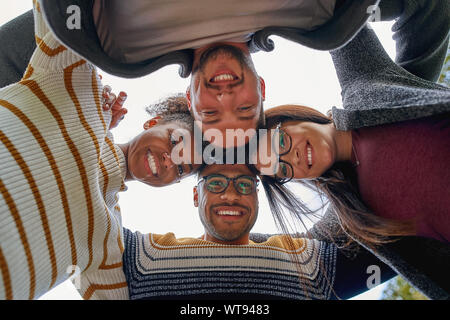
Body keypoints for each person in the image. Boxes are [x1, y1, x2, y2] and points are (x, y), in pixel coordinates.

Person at [2, 0, 412, 147]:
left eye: (211, 114)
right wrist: (397, 115)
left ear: (190, 99)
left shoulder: (116, 45)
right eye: (246, 107)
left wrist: (78, 126)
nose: (225, 97)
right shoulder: (318, 13)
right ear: (262, 87)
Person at [0, 4, 200, 299]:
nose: (169, 161)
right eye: (174, 142)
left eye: (182, 169)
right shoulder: (78, 87)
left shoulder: (107, 241)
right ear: (154, 122)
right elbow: (62, 9)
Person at [253, 24, 450, 299]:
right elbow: (286, 252)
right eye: (283, 169)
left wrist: (251, 32)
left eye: (281, 142)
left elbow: (333, 13)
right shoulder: (351, 217)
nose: (293, 158)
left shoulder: (363, 82)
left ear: (293, 117)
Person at [82, 163, 397, 300]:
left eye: (244, 184)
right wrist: (122, 156)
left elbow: (381, 208)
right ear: (196, 196)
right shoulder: (145, 260)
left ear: (257, 194)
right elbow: (75, 217)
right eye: (216, 183)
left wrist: (323, 152)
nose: (230, 195)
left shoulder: (308, 262)